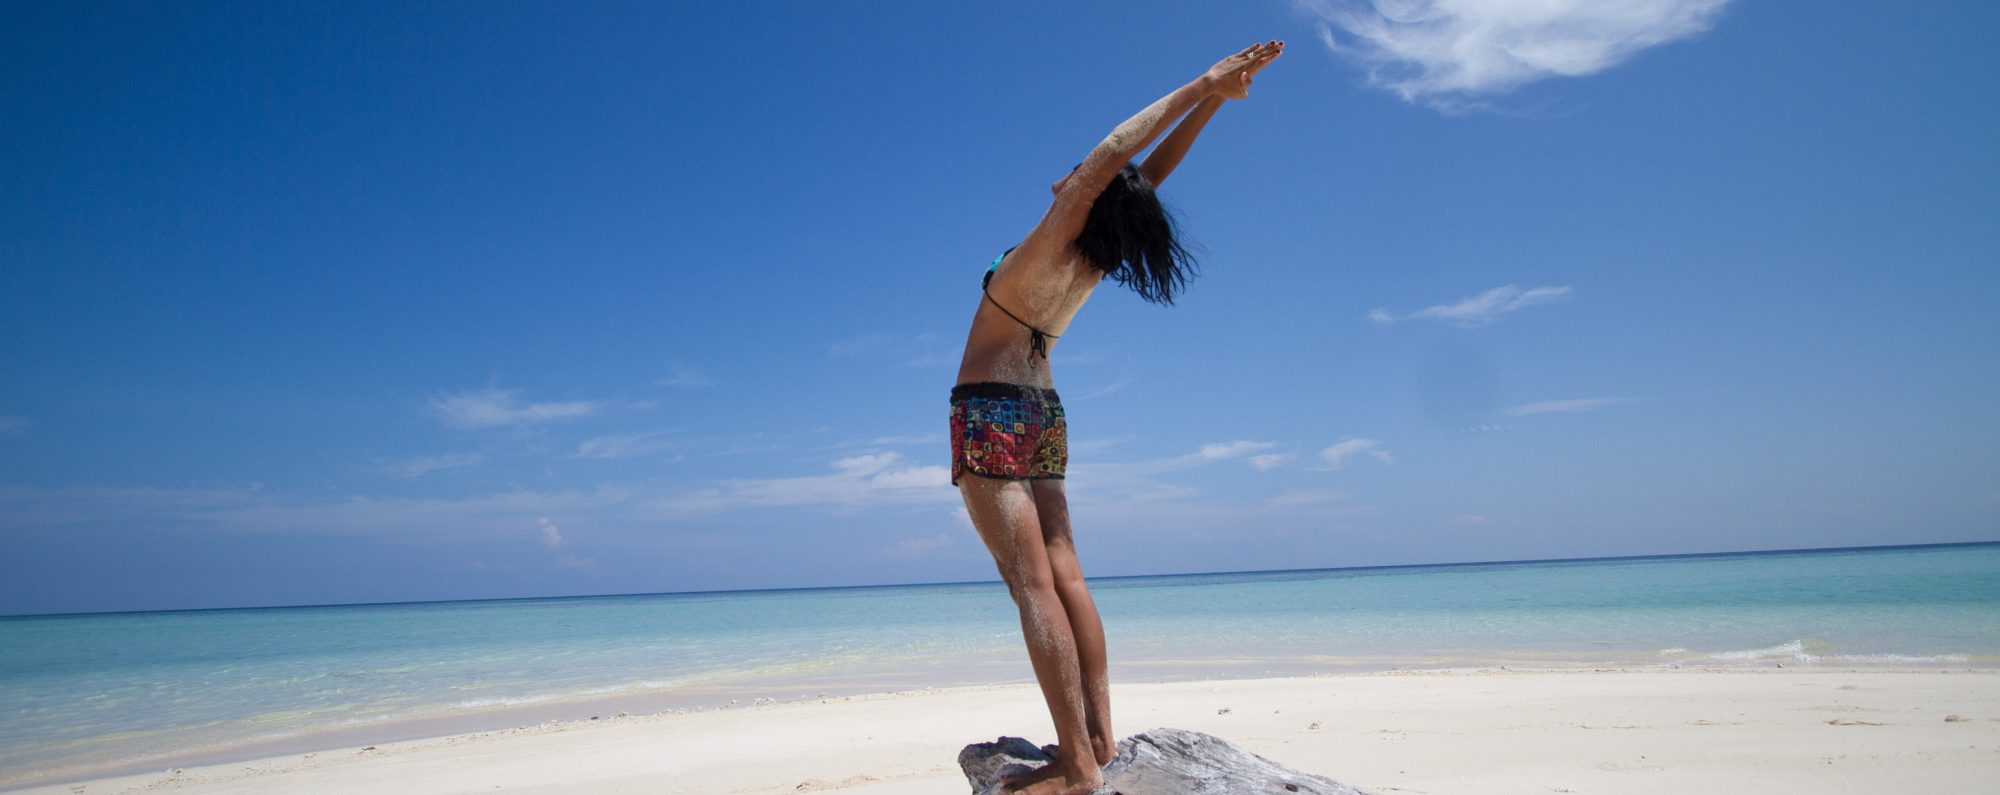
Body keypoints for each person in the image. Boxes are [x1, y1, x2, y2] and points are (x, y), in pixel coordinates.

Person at [949, 40, 1284, 795]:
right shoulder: (1093, 251)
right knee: (1064, 571)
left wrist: (1201, 83)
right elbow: (1147, 177)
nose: (1071, 173)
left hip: (991, 409)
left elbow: (1116, 154)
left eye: (1081, 175)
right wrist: (1211, 106)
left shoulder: (1056, 233)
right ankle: (1098, 737)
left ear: (1088, 191)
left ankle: (1078, 768)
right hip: (1045, 411)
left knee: (1031, 585)